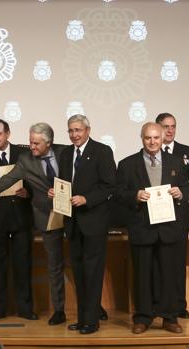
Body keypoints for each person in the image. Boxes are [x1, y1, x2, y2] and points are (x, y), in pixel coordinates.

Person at [0, 122, 68, 326]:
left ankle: (89, 308)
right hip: (34, 217)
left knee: (75, 263)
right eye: (30, 142)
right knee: (50, 266)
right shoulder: (24, 159)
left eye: (36, 143)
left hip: (65, 213)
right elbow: (6, 180)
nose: (32, 146)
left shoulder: (64, 152)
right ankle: (55, 311)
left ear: (49, 142)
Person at [115, 122, 189, 334]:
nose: (152, 142)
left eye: (156, 138)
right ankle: (143, 317)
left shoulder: (176, 162)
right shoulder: (127, 164)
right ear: (142, 138)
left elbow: (187, 187)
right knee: (142, 275)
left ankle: (169, 317)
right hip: (142, 228)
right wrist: (135, 195)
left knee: (169, 274)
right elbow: (118, 193)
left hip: (168, 228)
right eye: (148, 138)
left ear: (163, 138)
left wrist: (181, 193)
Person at [52, 114, 116, 334]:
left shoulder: (103, 151)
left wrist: (87, 199)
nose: (74, 135)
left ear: (88, 130)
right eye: (70, 130)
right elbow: (64, 184)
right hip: (72, 223)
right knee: (79, 273)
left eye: (78, 130)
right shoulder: (65, 153)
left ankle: (92, 321)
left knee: (93, 273)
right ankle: (82, 319)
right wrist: (56, 191)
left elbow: (109, 186)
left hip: (94, 222)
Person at [0, 119, 36, 321]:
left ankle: (26, 309)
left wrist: (29, 193)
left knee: (23, 265)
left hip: (22, 217)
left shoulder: (25, 152)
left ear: (8, 134)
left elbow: (36, 181)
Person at [155, 112, 189, 319]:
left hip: (179, 214)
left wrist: (184, 192)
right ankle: (157, 305)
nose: (170, 130)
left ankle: (179, 305)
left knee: (178, 262)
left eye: (173, 126)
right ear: (157, 128)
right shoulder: (150, 152)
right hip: (155, 216)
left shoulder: (186, 151)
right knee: (157, 263)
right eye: (165, 126)